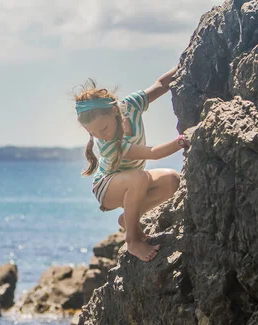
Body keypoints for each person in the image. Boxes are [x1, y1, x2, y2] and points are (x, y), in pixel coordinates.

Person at [75, 67, 190, 262]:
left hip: (134, 182)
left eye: (103, 128)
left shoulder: (130, 105)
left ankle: (127, 221)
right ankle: (133, 241)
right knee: (139, 177)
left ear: (114, 111)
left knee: (172, 180)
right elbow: (153, 153)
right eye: (94, 133)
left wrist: (183, 65)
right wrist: (180, 141)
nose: (102, 136)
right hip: (106, 188)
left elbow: (161, 85)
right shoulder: (111, 145)